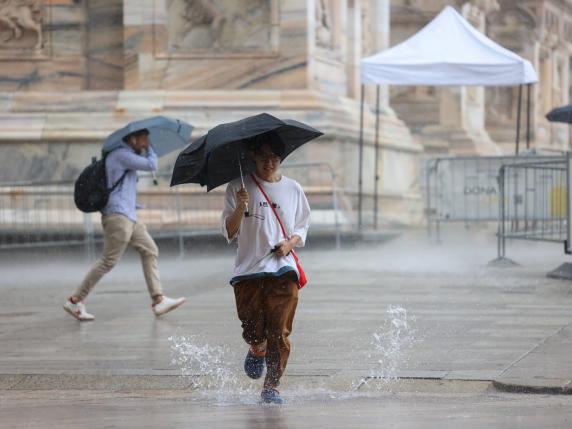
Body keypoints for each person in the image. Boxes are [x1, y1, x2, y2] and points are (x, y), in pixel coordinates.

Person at [221, 140, 311, 404]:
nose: (268, 161)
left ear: (281, 158)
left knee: (279, 331)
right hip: (248, 269)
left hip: (283, 269)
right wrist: (240, 206)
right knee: (251, 326)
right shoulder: (237, 186)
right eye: (262, 156)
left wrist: (290, 244)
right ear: (253, 157)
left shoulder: (293, 188)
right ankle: (256, 347)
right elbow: (229, 231)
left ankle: (271, 386)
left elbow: (303, 225)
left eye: (274, 156)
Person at [63, 129, 186, 321]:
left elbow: (121, 188)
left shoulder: (125, 156)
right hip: (118, 218)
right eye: (144, 139)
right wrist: (151, 149)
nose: (146, 143)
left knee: (150, 250)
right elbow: (151, 164)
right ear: (133, 139)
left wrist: (135, 204)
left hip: (128, 216)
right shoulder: (121, 155)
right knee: (108, 261)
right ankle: (75, 300)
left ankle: (158, 300)